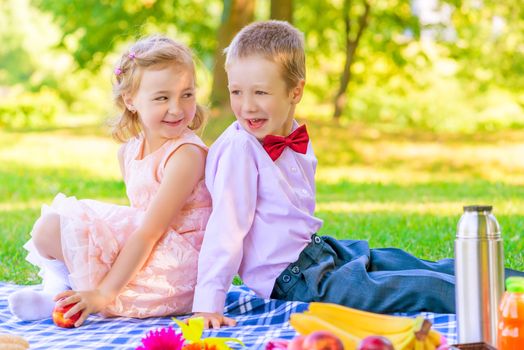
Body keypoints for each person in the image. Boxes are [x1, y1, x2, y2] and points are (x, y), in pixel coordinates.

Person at [191, 20, 524, 329]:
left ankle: (516, 283)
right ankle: (510, 304)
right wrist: (208, 303)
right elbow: (225, 229)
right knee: (421, 287)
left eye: (260, 92)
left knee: (412, 263)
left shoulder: (290, 135)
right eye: (237, 92)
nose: (246, 105)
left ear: (295, 91)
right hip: (299, 283)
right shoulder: (240, 148)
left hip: (321, 253)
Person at [8, 35, 212, 327]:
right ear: (130, 100)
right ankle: (57, 293)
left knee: (58, 227)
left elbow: (149, 232)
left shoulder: (186, 155)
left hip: (179, 270)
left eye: (187, 94)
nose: (177, 108)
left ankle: (73, 294)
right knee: (49, 229)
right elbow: (137, 224)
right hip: (152, 247)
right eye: (162, 97)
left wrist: (104, 293)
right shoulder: (128, 152)